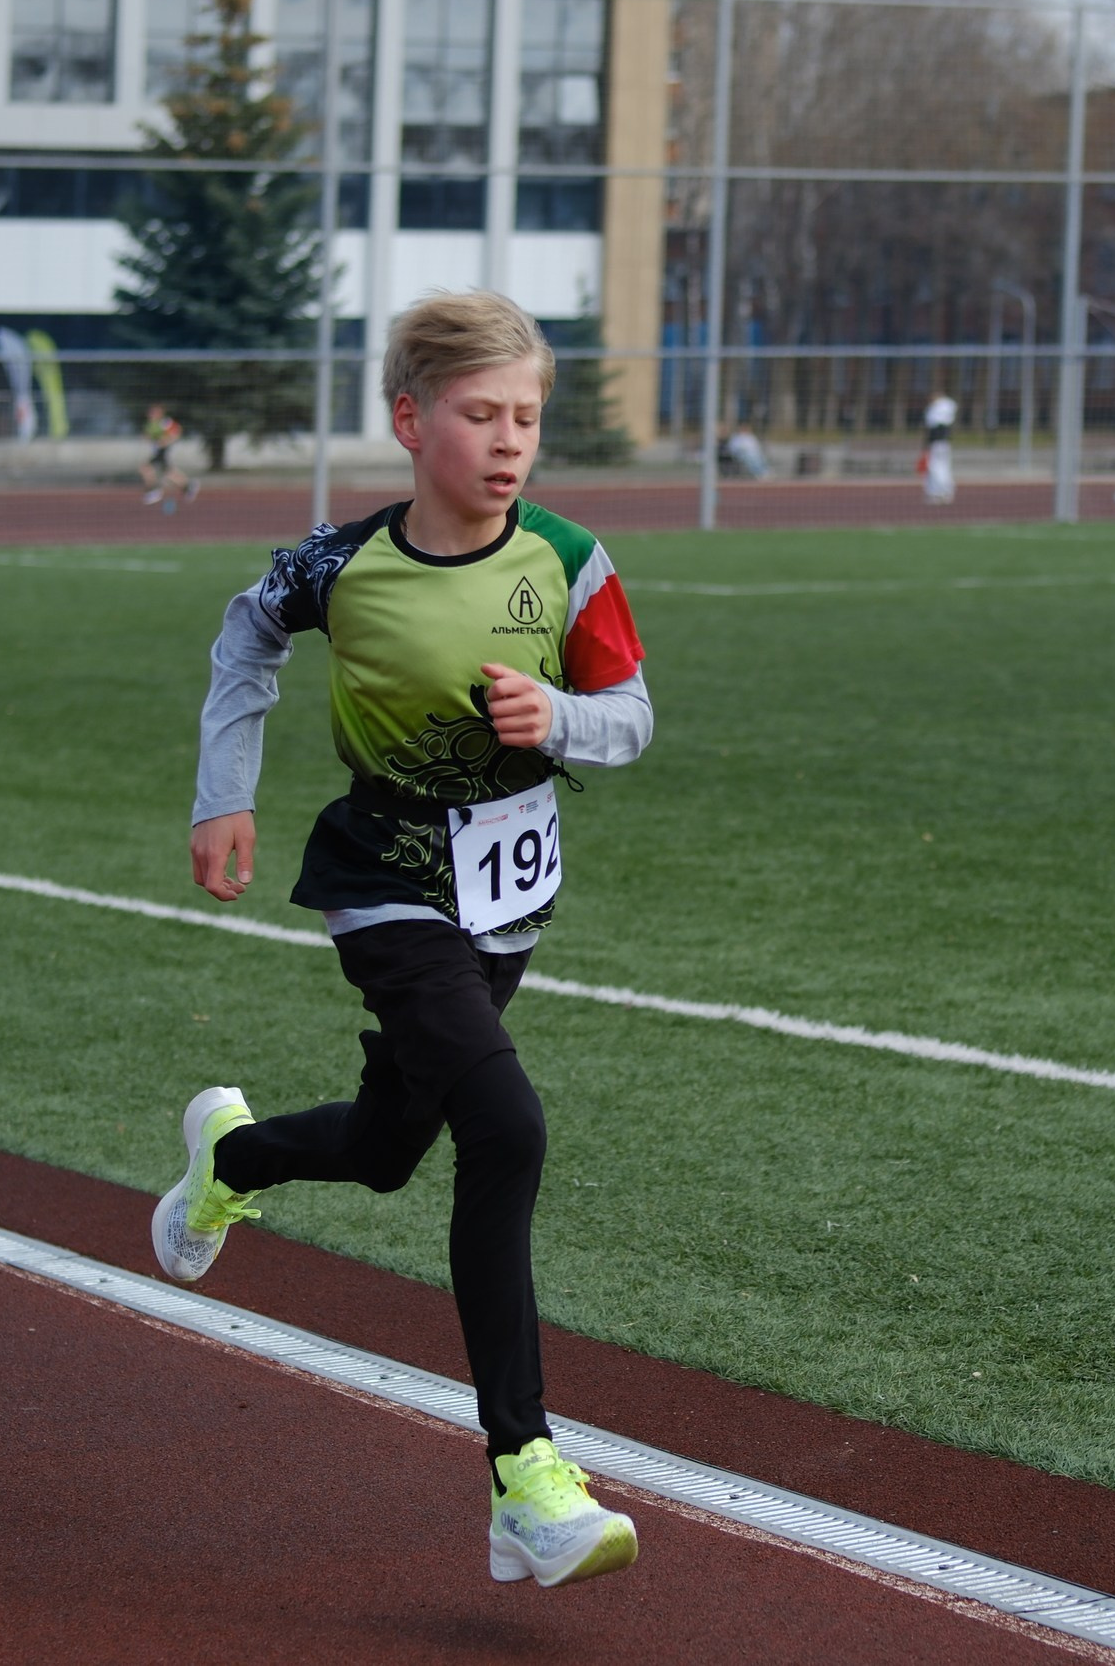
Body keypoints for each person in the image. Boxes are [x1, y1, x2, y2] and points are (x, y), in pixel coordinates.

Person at [160, 289, 652, 1592]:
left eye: (527, 417)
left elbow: (632, 713)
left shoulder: (569, 559)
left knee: (389, 1150)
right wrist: (223, 793)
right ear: (409, 421)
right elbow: (244, 637)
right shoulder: (340, 566)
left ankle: (230, 1155)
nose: (510, 441)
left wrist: (560, 718)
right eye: (482, 414)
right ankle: (525, 1478)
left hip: (507, 899)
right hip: (384, 877)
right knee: (508, 1128)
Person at [140, 405, 198, 508]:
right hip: (158, 451)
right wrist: (148, 438)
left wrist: (166, 441)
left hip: (163, 451)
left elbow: (177, 430)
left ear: (159, 413)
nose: (150, 415)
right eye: (149, 413)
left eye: (153, 413)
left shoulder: (164, 422)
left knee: (146, 468)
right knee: (168, 472)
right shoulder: (151, 425)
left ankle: (154, 491)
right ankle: (188, 486)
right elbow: (148, 436)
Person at [921, 389, 958, 505]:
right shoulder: (946, 410)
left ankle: (938, 492)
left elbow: (933, 429)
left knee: (936, 468)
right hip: (943, 443)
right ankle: (943, 492)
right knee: (942, 468)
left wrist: (926, 445)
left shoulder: (938, 410)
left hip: (938, 443)